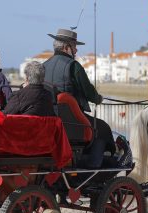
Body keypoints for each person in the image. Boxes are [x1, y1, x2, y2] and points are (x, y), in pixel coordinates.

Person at [43, 28, 116, 169]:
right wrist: (98, 99)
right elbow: (89, 92)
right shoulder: (73, 66)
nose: (76, 51)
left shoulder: (44, 65)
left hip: (51, 118)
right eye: (74, 47)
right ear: (66, 47)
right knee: (103, 128)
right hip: (71, 120)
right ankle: (94, 165)